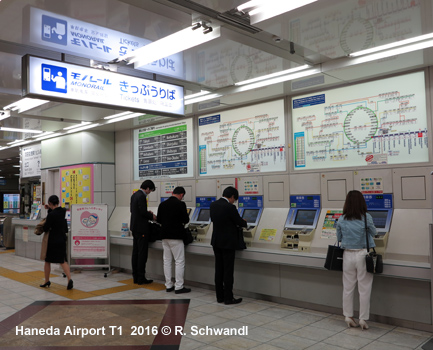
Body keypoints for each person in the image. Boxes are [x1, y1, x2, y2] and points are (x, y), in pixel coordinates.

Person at [336, 190, 377, 330]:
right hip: (363, 255)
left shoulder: (342, 219)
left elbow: (339, 238)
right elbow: (374, 232)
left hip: (347, 255)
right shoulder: (366, 217)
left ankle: (348, 316)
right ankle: (363, 319)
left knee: (348, 287)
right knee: (364, 288)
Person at [210, 186, 247, 305]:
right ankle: (228, 298)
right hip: (228, 243)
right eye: (234, 199)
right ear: (231, 197)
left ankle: (220, 296)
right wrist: (244, 222)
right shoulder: (230, 207)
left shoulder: (213, 205)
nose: (234, 201)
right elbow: (239, 222)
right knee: (228, 271)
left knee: (218, 269)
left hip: (216, 242)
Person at [157, 186, 191, 294]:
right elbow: (186, 220)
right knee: (179, 261)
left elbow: (159, 220)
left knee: (166, 261)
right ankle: (179, 286)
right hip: (176, 237)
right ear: (181, 195)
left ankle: (168, 285)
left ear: (173, 193)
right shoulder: (181, 204)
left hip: (164, 236)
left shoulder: (162, 204)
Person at [40, 195, 73, 290]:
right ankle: (69, 279)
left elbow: (46, 227)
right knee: (62, 260)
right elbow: (56, 213)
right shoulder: (63, 211)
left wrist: (49, 211)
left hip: (52, 241)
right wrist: (50, 209)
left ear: (50, 203)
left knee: (47, 261)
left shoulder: (51, 215)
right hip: (62, 239)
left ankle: (46, 280)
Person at [130, 180, 156, 285]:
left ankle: (135, 277)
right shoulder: (142, 196)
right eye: (151, 190)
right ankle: (141, 278)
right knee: (142, 254)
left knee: (135, 253)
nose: (150, 193)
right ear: (148, 188)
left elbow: (134, 211)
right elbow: (142, 212)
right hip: (141, 229)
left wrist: (146, 212)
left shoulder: (135, 195)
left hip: (135, 227)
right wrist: (152, 216)